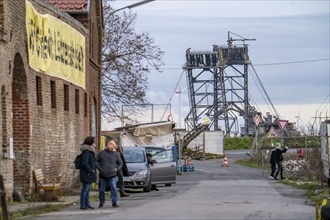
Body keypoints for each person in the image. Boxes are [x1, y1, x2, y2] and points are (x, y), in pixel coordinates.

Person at [96, 139, 123, 208]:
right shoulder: (101, 153)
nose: (109, 144)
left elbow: (120, 163)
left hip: (112, 175)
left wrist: (116, 169)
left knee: (113, 188)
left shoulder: (116, 154)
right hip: (103, 175)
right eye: (109, 143)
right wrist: (100, 168)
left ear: (114, 146)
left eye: (111, 143)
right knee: (101, 190)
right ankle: (101, 202)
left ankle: (114, 202)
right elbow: (96, 162)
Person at [79, 136, 97, 210]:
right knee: (85, 189)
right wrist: (91, 170)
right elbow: (85, 163)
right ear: (91, 142)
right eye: (94, 141)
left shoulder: (89, 150)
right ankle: (83, 205)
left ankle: (87, 204)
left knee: (87, 189)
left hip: (88, 172)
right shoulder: (87, 151)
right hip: (86, 172)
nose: (94, 142)